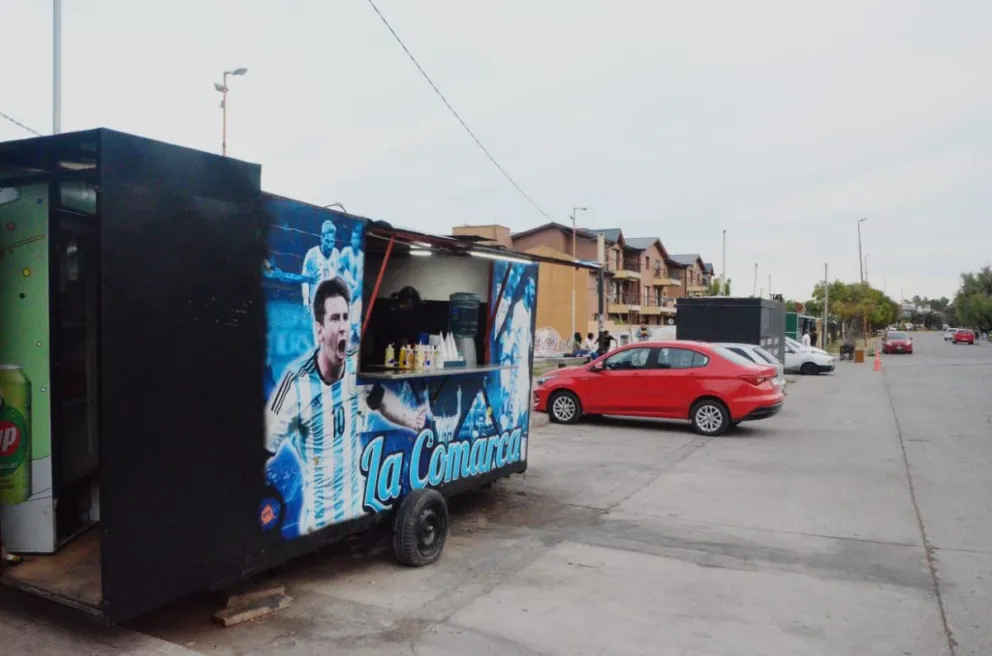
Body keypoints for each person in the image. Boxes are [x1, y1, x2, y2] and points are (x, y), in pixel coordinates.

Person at [265, 277, 427, 537]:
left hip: (353, 508)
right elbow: (264, 446)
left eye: (345, 317)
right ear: (319, 329)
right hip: (318, 522)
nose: (343, 327)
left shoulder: (354, 367)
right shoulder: (296, 385)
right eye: (334, 319)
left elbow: (380, 398)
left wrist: (410, 418)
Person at [301, 220, 342, 314]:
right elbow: (305, 280)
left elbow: (342, 273)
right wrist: (305, 302)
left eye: (332, 242)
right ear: (321, 238)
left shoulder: (336, 254)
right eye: (327, 241)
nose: (329, 246)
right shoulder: (312, 254)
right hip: (316, 305)